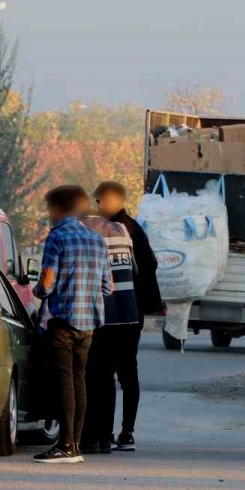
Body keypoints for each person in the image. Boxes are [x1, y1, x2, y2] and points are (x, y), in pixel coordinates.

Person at [32, 185, 112, 464]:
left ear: (57, 209)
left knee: (63, 382)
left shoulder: (57, 237)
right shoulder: (96, 239)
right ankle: (75, 443)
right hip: (88, 324)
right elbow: (107, 286)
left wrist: (38, 292)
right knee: (79, 381)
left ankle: (65, 445)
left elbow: (47, 282)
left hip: (62, 321)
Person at [92, 181, 161, 451]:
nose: (97, 207)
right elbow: (150, 263)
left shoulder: (120, 229)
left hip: (113, 313)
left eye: (99, 202)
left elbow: (145, 265)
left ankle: (108, 433)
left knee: (107, 373)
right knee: (127, 373)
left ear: (111, 202)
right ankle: (126, 432)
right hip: (132, 315)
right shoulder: (134, 228)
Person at [77, 190, 139, 455]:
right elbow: (134, 270)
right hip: (128, 314)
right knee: (108, 377)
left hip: (104, 313)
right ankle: (104, 438)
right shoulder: (123, 230)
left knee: (93, 375)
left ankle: (89, 438)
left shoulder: (85, 232)